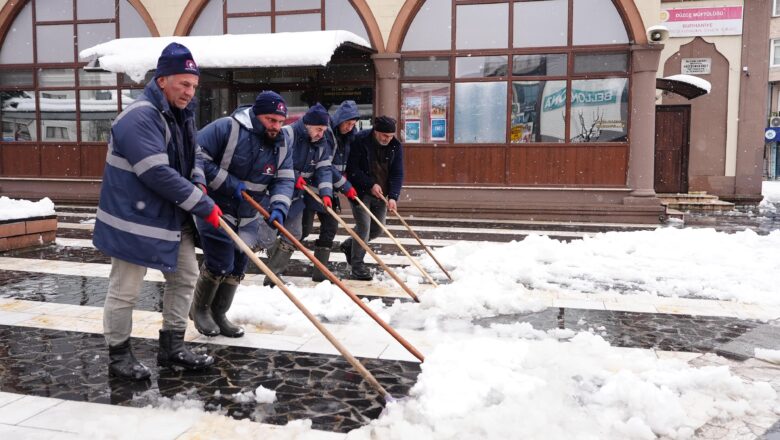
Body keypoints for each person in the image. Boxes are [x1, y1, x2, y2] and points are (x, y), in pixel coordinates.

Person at [93, 42, 219, 380]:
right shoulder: (139, 116)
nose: (190, 92)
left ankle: (172, 346)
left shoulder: (182, 116)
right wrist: (202, 203)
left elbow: (193, 159)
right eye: (183, 83)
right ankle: (119, 355)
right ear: (162, 79)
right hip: (133, 220)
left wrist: (199, 183)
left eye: (194, 85)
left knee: (186, 276)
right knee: (126, 289)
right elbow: (155, 172)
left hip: (169, 217)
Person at [190, 91, 295, 337]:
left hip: (248, 215)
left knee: (238, 264)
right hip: (215, 207)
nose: (276, 127)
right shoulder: (227, 128)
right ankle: (200, 310)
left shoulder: (282, 143)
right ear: (257, 115)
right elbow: (195, 156)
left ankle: (219, 313)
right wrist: (229, 182)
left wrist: (279, 207)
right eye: (271, 120)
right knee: (220, 260)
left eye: (280, 121)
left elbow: (284, 179)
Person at [257, 103, 334, 286]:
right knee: (266, 239)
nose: (320, 134)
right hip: (274, 194)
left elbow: (324, 169)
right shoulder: (287, 134)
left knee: (294, 234)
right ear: (307, 125)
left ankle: (273, 276)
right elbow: (274, 160)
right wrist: (294, 175)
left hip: (297, 197)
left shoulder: (321, 143)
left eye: (323, 130)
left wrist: (326, 193)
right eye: (318, 129)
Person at [300, 100, 360, 281]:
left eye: (353, 124)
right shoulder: (326, 135)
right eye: (347, 123)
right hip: (312, 187)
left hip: (331, 190)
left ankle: (320, 271)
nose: (350, 127)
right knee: (303, 230)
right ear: (340, 119)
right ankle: (274, 256)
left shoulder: (350, 138)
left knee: (330, 227)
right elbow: (325, 165)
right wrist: (345, 184)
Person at [340, 116, 404, 281]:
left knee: (377, 229)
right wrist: (370, 184)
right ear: (376, 131)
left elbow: (397, 173)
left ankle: (349, 245)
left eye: (390, 136)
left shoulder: (395, 146)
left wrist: (393, 197)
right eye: (384, 135)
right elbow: (352, 169)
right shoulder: (360, 140)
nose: (387, 139)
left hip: (381, 194)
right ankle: (357, 266)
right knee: (363, 229)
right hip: (361, 192)